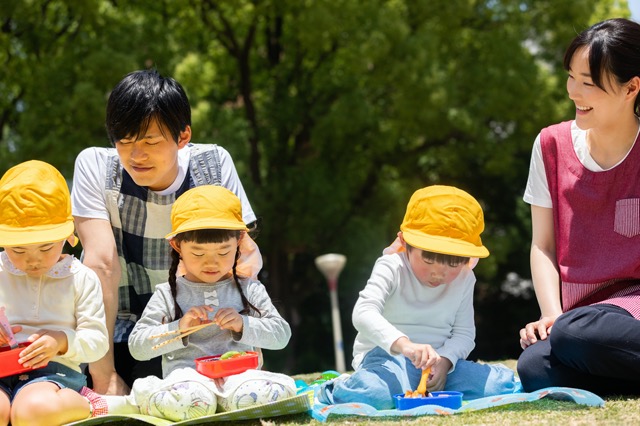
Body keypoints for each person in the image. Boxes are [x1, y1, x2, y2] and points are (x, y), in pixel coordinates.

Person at [71, 69, 257, 395]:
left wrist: (250, 343)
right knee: (146, 375)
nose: (135, 154)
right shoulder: (96, 166)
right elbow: (101, 264)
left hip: (199, 323)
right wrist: (105, 376)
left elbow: (243, 254)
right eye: (124, 141)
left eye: (150, 141)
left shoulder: (213, 164)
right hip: (124, 328)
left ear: (183, 136)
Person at [88, 185, 293, 421]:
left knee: (265, 391)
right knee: (187, 399)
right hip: (188, 380)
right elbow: (138, 347)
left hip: (240, 376)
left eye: (223, 251)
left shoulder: (250, 288)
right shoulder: (167, 294)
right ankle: (185, 399)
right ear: (177, 246)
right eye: (198, 253)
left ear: (238, 242)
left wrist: (242, 324)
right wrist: (179, 329)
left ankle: (226, 401)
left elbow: (281, 336)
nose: (211, 263)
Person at [518, 18, 640, 396]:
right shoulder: (550, 146)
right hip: (580, 319)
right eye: (571, 76)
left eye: (588, 83)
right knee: (535, 366)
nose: (574, 92)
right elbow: (543, 246)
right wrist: (551, 314)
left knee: (574, 336)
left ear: (631, 88)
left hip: (630, 309)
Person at [318, 185, 521, 410]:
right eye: (428, 259)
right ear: (405, 243)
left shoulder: (465, 278)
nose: (439, 272)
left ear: (467, 259)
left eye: (453, 263)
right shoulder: (392, 266)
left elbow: (464, 334)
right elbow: (363, 312)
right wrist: (406, 346)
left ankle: (432, 384)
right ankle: (335, 389)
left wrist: (445, 361)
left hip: (440, 363)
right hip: (388, 359)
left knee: (497, 385)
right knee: (374, 394)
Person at [0, 160, 109, 425]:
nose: (32, 260)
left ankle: (86, 401)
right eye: (18, 250)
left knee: (32, 411)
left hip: (54, 373)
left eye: (46, 248)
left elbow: (97, 342)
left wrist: (61, 341)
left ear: (67, 237)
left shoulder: (80, 277)